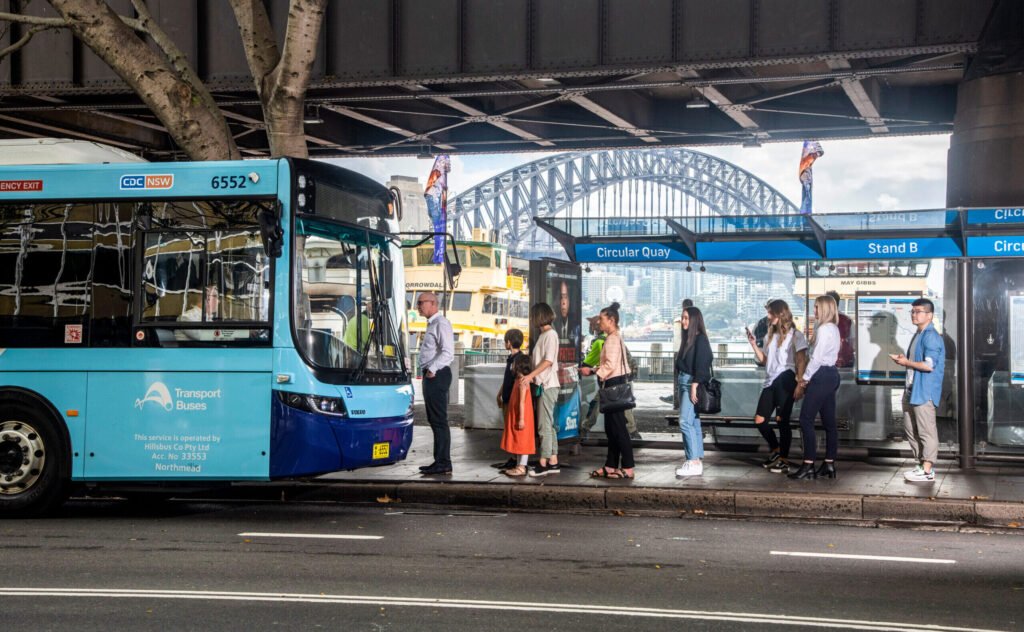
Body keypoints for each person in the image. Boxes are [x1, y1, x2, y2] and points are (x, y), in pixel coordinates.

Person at [745, 299, 808, 475]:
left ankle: (784, 460)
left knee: (782, 421)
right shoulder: (768, 336)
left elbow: (801, 360)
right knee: (760, 420)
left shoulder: (796, 335)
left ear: (780, 314)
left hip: (786, 379)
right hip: (770, 381)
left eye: (771, 313)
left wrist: (800, 384)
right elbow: (765, 361)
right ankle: (776, 451)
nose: (768, 316)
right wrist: (753, 345)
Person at [891, 298, 946, 483]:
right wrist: (905, 360)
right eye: (913, 311)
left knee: (926, 431)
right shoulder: (919, 334)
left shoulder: (931, 336)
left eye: (918, 311)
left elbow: (929, 365)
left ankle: (928, 469)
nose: (914, 314)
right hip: (912, 390)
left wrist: (906, 362)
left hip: (923, 391)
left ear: (929, 315)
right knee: (911, 429)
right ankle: (922, 465)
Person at [789, 295, 841, 480]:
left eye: (817, 307)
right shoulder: (833, 328)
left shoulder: (824, 329)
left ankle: (808, 464)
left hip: (820, 376)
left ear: (825, 309)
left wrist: (804, 379)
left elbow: (817, 358)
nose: (815, 311)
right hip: (831, 374)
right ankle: (829, 463)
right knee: (829, 422)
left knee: (805, 419)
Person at [581, 302, 635, 479]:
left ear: (611, 320)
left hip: (613, 384)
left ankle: (627, 467)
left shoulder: (611, 339)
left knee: (618, 428)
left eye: (602, 320)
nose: (599, 323)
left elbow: (610, 365)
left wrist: (593, 370)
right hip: (616, 383)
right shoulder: (614, 337)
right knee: (612, 428)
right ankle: (610, 465)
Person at [580, 315, 639, 439]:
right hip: (624, 376)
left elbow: (588, 363)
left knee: (597, 403)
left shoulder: (600, 341)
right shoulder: (615, 338)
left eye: (592, 325)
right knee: (624, 403)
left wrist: (589, 370)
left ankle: (585, 428)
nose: (590, 328)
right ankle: (632, 431)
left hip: (611, 379)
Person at [520, 302, 561, 477]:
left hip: (546, 385)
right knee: (548, 425)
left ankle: (543, 463)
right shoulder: (546, 335)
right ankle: (552, 459)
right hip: (547, 385)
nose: (531, 319)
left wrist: (530, 376)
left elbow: (548, 361)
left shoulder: (550, 335)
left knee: (543, 426)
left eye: (532, 316)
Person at [416, 292, 455, 475]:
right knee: (434, 419)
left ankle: (443, 462)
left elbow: (448, 352)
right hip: (432, 375)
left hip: (436, 375)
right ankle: (440, 460)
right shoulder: (433, 324)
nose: (418, 306)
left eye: (421, 302)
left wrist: (432, 369)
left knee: (439, 420)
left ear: (433, 303)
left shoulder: (441, 323)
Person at [675, 306, 713, 477]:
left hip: (691, 383)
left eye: (686, 318)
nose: (683, 321)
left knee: (684, 422)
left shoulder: (700, 340)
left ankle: (693, 461)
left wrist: (695, 385)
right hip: (685, 382)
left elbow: (703, 365)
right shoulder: (689, 339)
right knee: (694, 422)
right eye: (682, 318)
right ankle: (696, 459)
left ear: (694, 320)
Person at [500, 353, 536, 477]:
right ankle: (519, 466)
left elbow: (522, 402)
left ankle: (521, 467)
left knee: (522, 439)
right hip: (521, 413)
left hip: (522, 414)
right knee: (521, 439)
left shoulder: (521, 382)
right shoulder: (520, 380)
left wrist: (521, 418)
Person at [496, 328, 525, 470]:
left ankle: (515, 458)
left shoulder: (517, 360)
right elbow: (507, 379)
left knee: (512, 428)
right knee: (509, 427)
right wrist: (500, 392)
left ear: (508, 343)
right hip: (507, 396)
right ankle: (513, 457)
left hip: (512, 399)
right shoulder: (513, 359)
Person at [662, 299, 694, 406]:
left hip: (681, 351)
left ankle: (677, 398)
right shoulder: (695, 319)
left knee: (679, 377)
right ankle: (680, 397)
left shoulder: (682, 320)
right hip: (689, 351)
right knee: (687, 378)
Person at [826, 290, 854, 368]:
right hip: (844, 363)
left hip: (825, 364)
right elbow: (853, 343)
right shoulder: (848, 320)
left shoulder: (820, 322)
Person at [552, 280, 580, 350]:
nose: (563, 302)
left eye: (566, 297)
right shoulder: (552, 324)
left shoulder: (576, 326)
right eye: (561, 297)